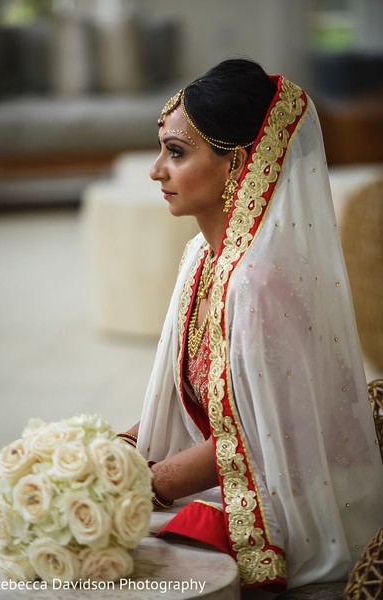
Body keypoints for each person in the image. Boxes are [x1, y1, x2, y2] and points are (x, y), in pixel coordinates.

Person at [117, 58, 383, 597]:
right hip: (240, 486)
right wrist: (120, 451)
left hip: (296, 507)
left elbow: (262, 441)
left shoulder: (258, 284)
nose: (155, 170)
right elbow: (191, 413)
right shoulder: (203, 257)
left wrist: (145, 482)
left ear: (236, 163)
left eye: (176, 152)